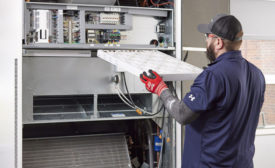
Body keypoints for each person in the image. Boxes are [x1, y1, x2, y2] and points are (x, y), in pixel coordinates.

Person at [140, 14, 265, 168]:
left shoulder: (213, 76)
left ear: (218, 42)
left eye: (207, 37)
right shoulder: (257, 74)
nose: (206, 41)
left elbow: (182, 114)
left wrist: (160, 88)